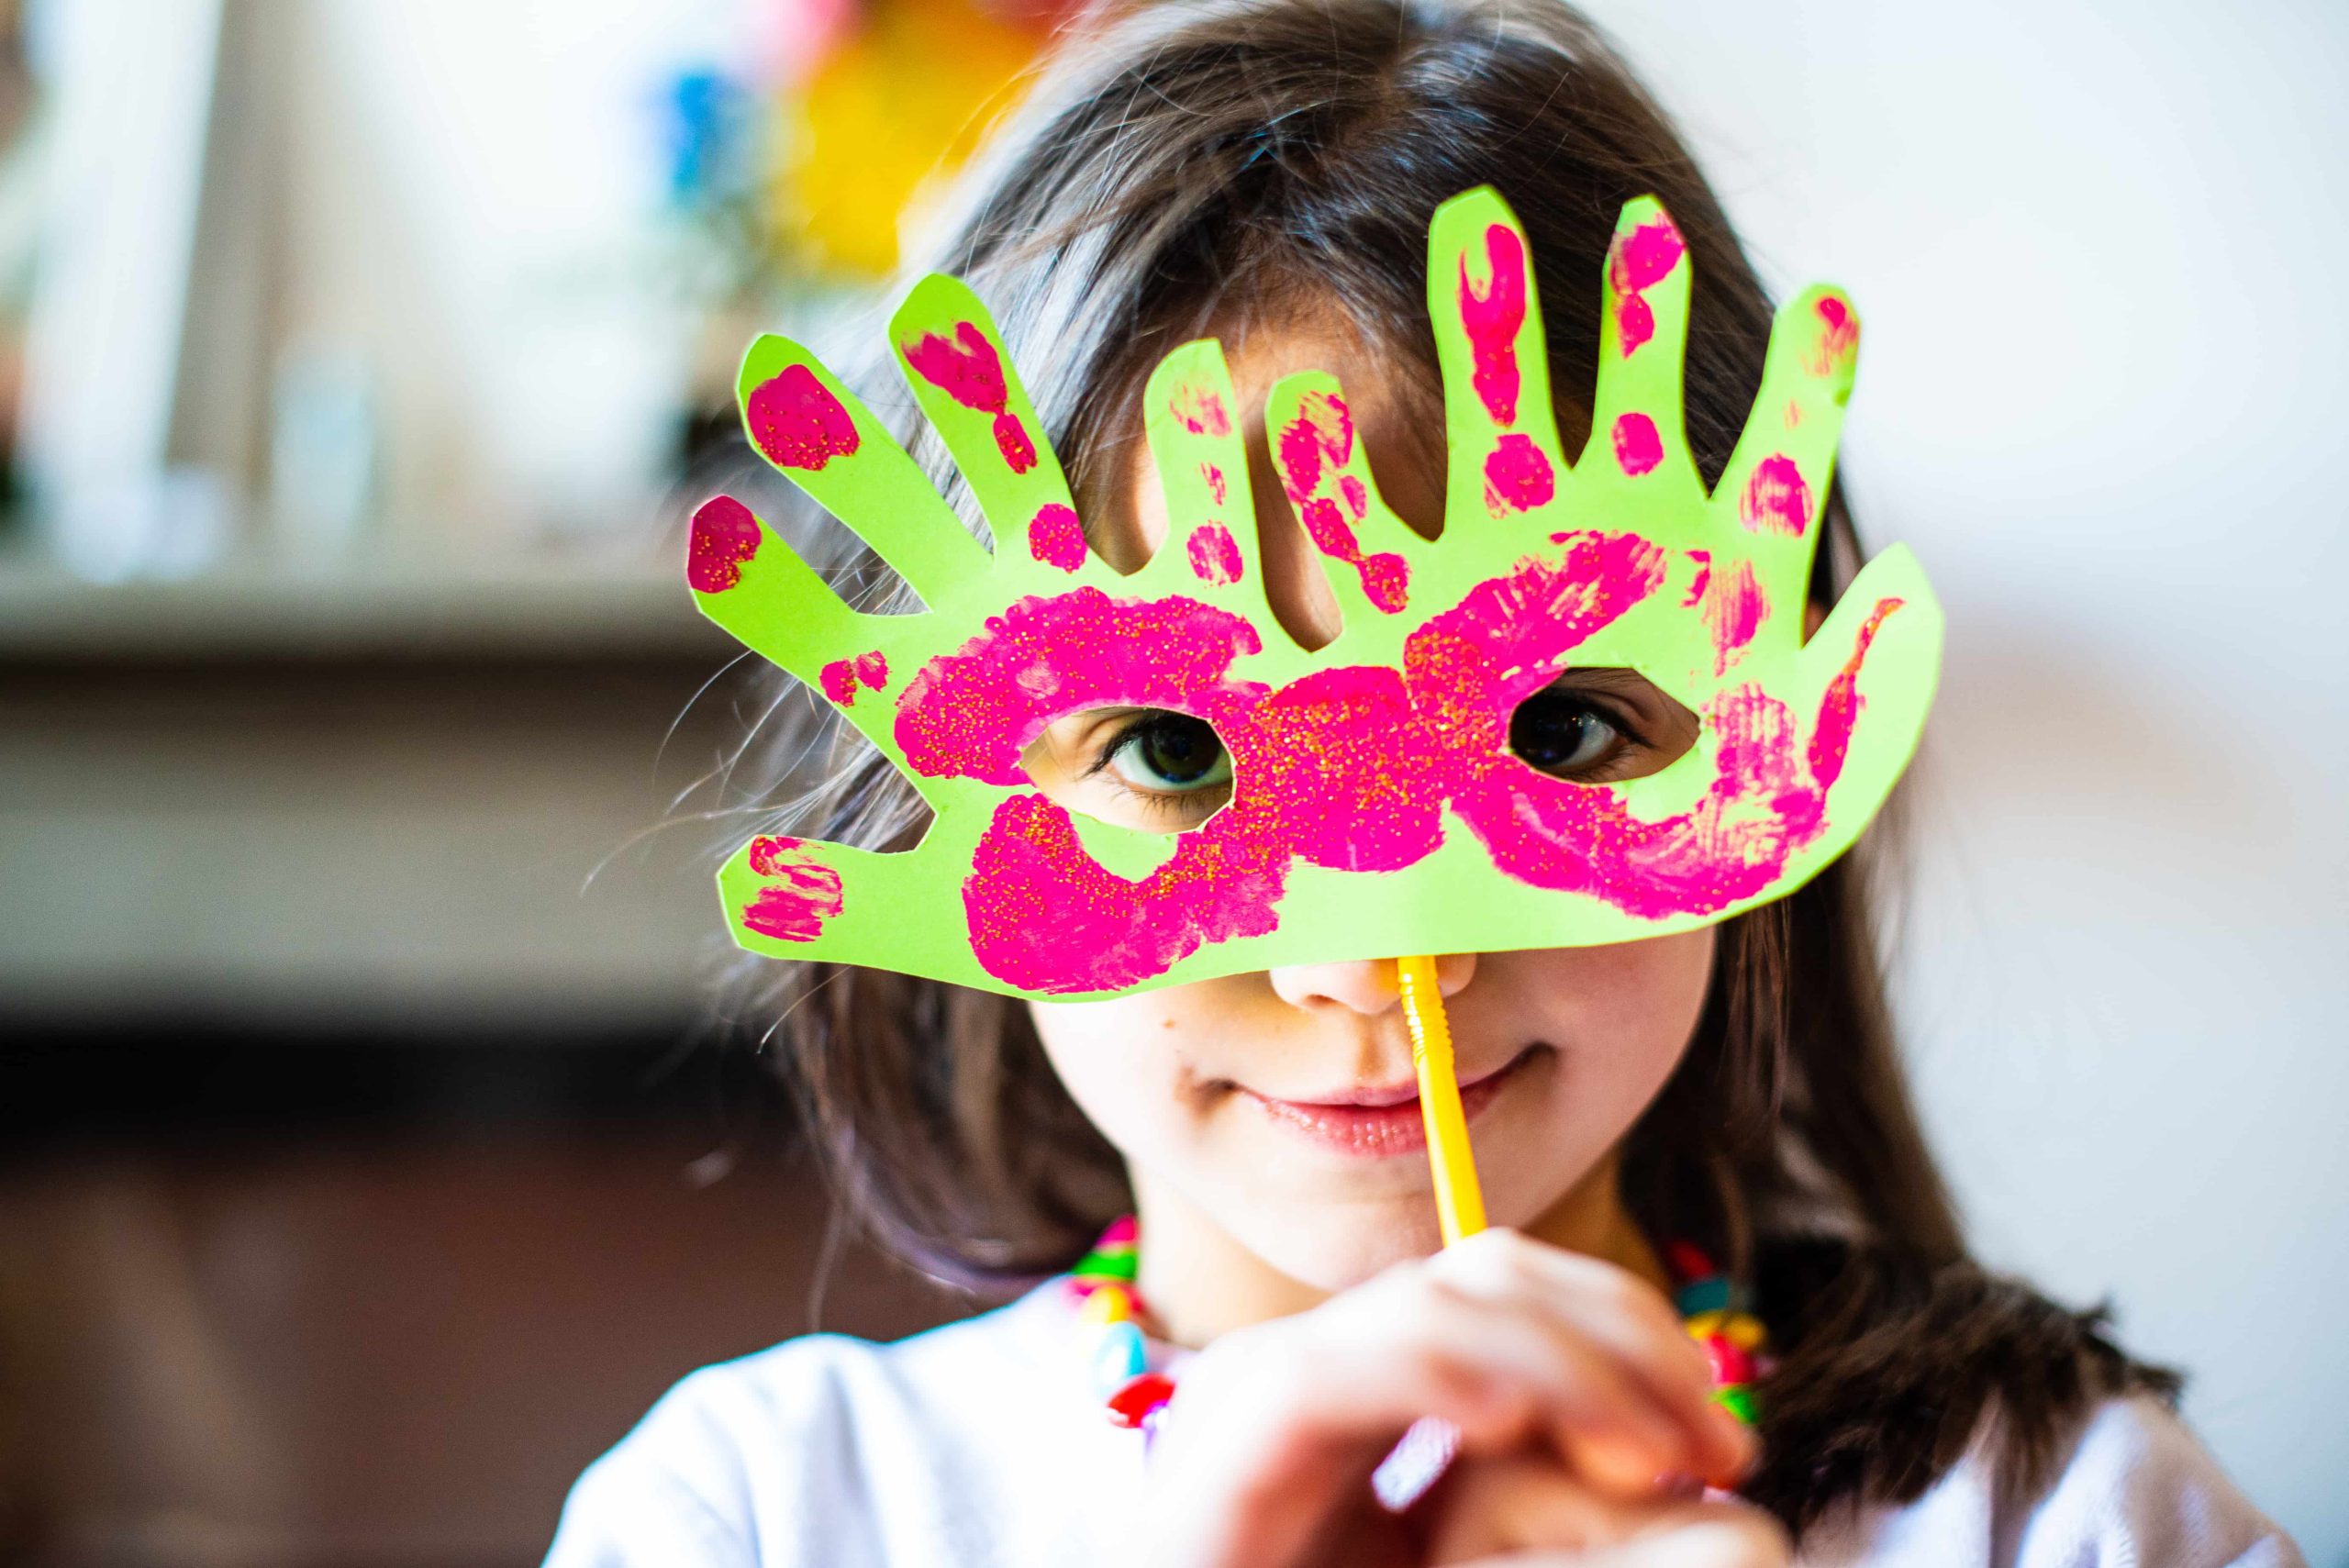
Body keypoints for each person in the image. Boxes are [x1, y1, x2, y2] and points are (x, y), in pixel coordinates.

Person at [546, 2, 2303, 1563]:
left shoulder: (2061, 1511)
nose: (1377, 967)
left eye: (1560, 732)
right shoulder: (752, 1514)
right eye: (1172, 749)